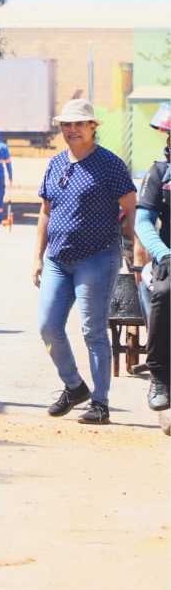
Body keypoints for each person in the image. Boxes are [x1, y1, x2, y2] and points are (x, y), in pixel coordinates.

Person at [35, 98, 137, 425]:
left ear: (93, 127)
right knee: (48, 326)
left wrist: (129, 246)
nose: (72, 130)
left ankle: (100, 402)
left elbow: (131, 207)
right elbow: (46, 212)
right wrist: (37, 258)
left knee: (93, 330)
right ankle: (74, 386)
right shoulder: (55, 164)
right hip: (57, 259)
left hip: (97, 258)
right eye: (67, 125)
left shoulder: (109, 164)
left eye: (79, 124)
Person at [133, 101, 170, 411]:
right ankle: (159, 375)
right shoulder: (159, 172)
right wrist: (163, 253)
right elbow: (142, 221)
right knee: (165, 293)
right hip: (168, 259)